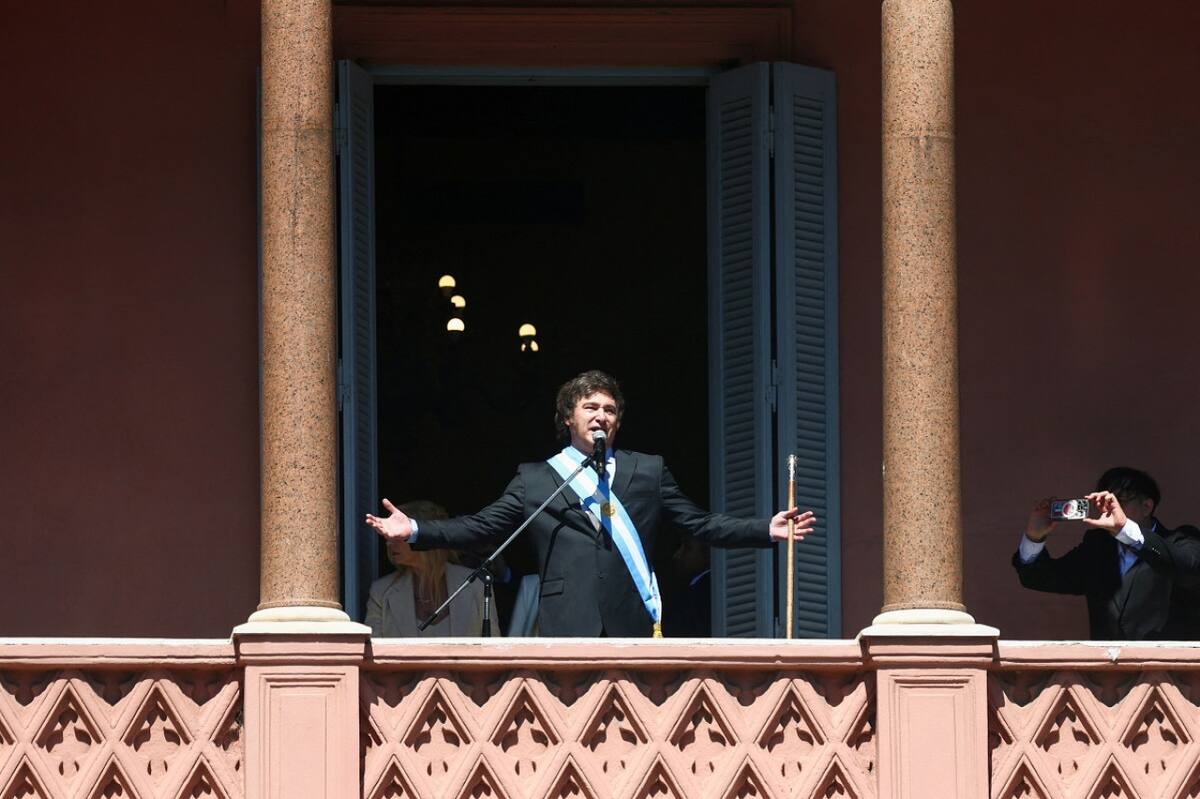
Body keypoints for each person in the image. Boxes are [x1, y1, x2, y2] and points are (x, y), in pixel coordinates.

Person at [366, 369, 814, 637]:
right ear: (568, 418)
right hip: (567, 619)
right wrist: (418, 531)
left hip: (633, 616)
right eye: (590, 407)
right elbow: (482, 527)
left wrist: (764, 529)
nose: (602, 415)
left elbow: (699, 524)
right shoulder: (536, 477)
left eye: (610, 409)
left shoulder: (648, 469)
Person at [1012, 466, 1200, 640]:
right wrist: (1034, 537)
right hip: (1107, 672)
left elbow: (1186, 568)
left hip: (1166, 671)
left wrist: (1125, 529)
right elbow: (1039, 578)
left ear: (1147, 506)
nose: (1111, 509)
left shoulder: (1181, 540)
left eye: (1120, 500)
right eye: (1106, 502)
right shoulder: (1098, 547)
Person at [364, 500, 494, 637]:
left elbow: (495, 647)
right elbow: (372, 651)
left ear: (426, 536)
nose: (389, 542)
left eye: (399, 535)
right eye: (388, 537)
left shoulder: (476, 584)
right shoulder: (381, 591)